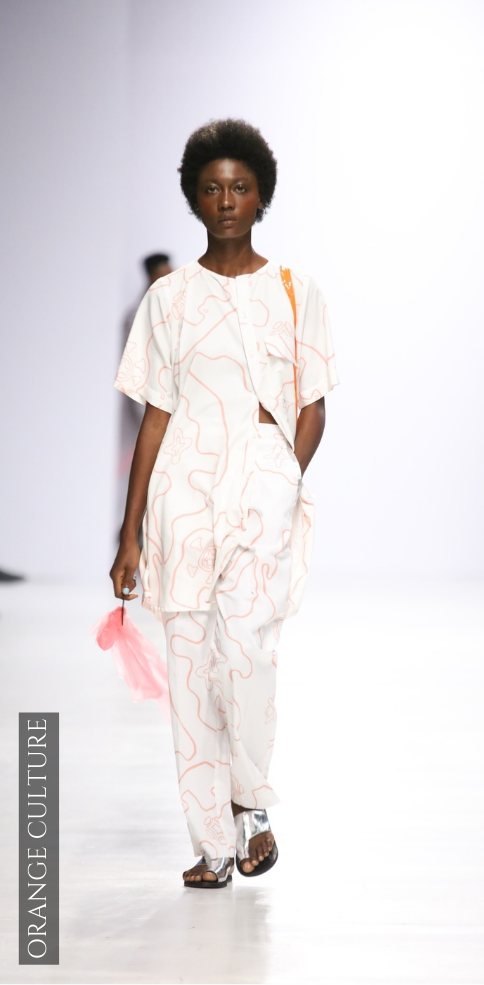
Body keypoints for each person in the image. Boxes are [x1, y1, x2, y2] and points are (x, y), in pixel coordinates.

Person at [110, 118, 339, 888]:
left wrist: (283, 478)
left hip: (260, 490)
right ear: (193, 199)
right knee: (189, 667)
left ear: (262, 194)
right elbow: (156, 414)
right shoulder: (168, 299)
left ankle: (251, 802)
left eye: (240, 186)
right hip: (181, 494)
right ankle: (212, 842)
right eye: (212, 188)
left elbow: (314, 403)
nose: (227, 200)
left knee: (247, 652)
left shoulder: (297, 290)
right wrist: (131, 531)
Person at [117, 253, 173, 545]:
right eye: (164, 275)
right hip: (146, 414)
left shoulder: (171, 313)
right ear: (151, 277)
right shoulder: (138, 316)